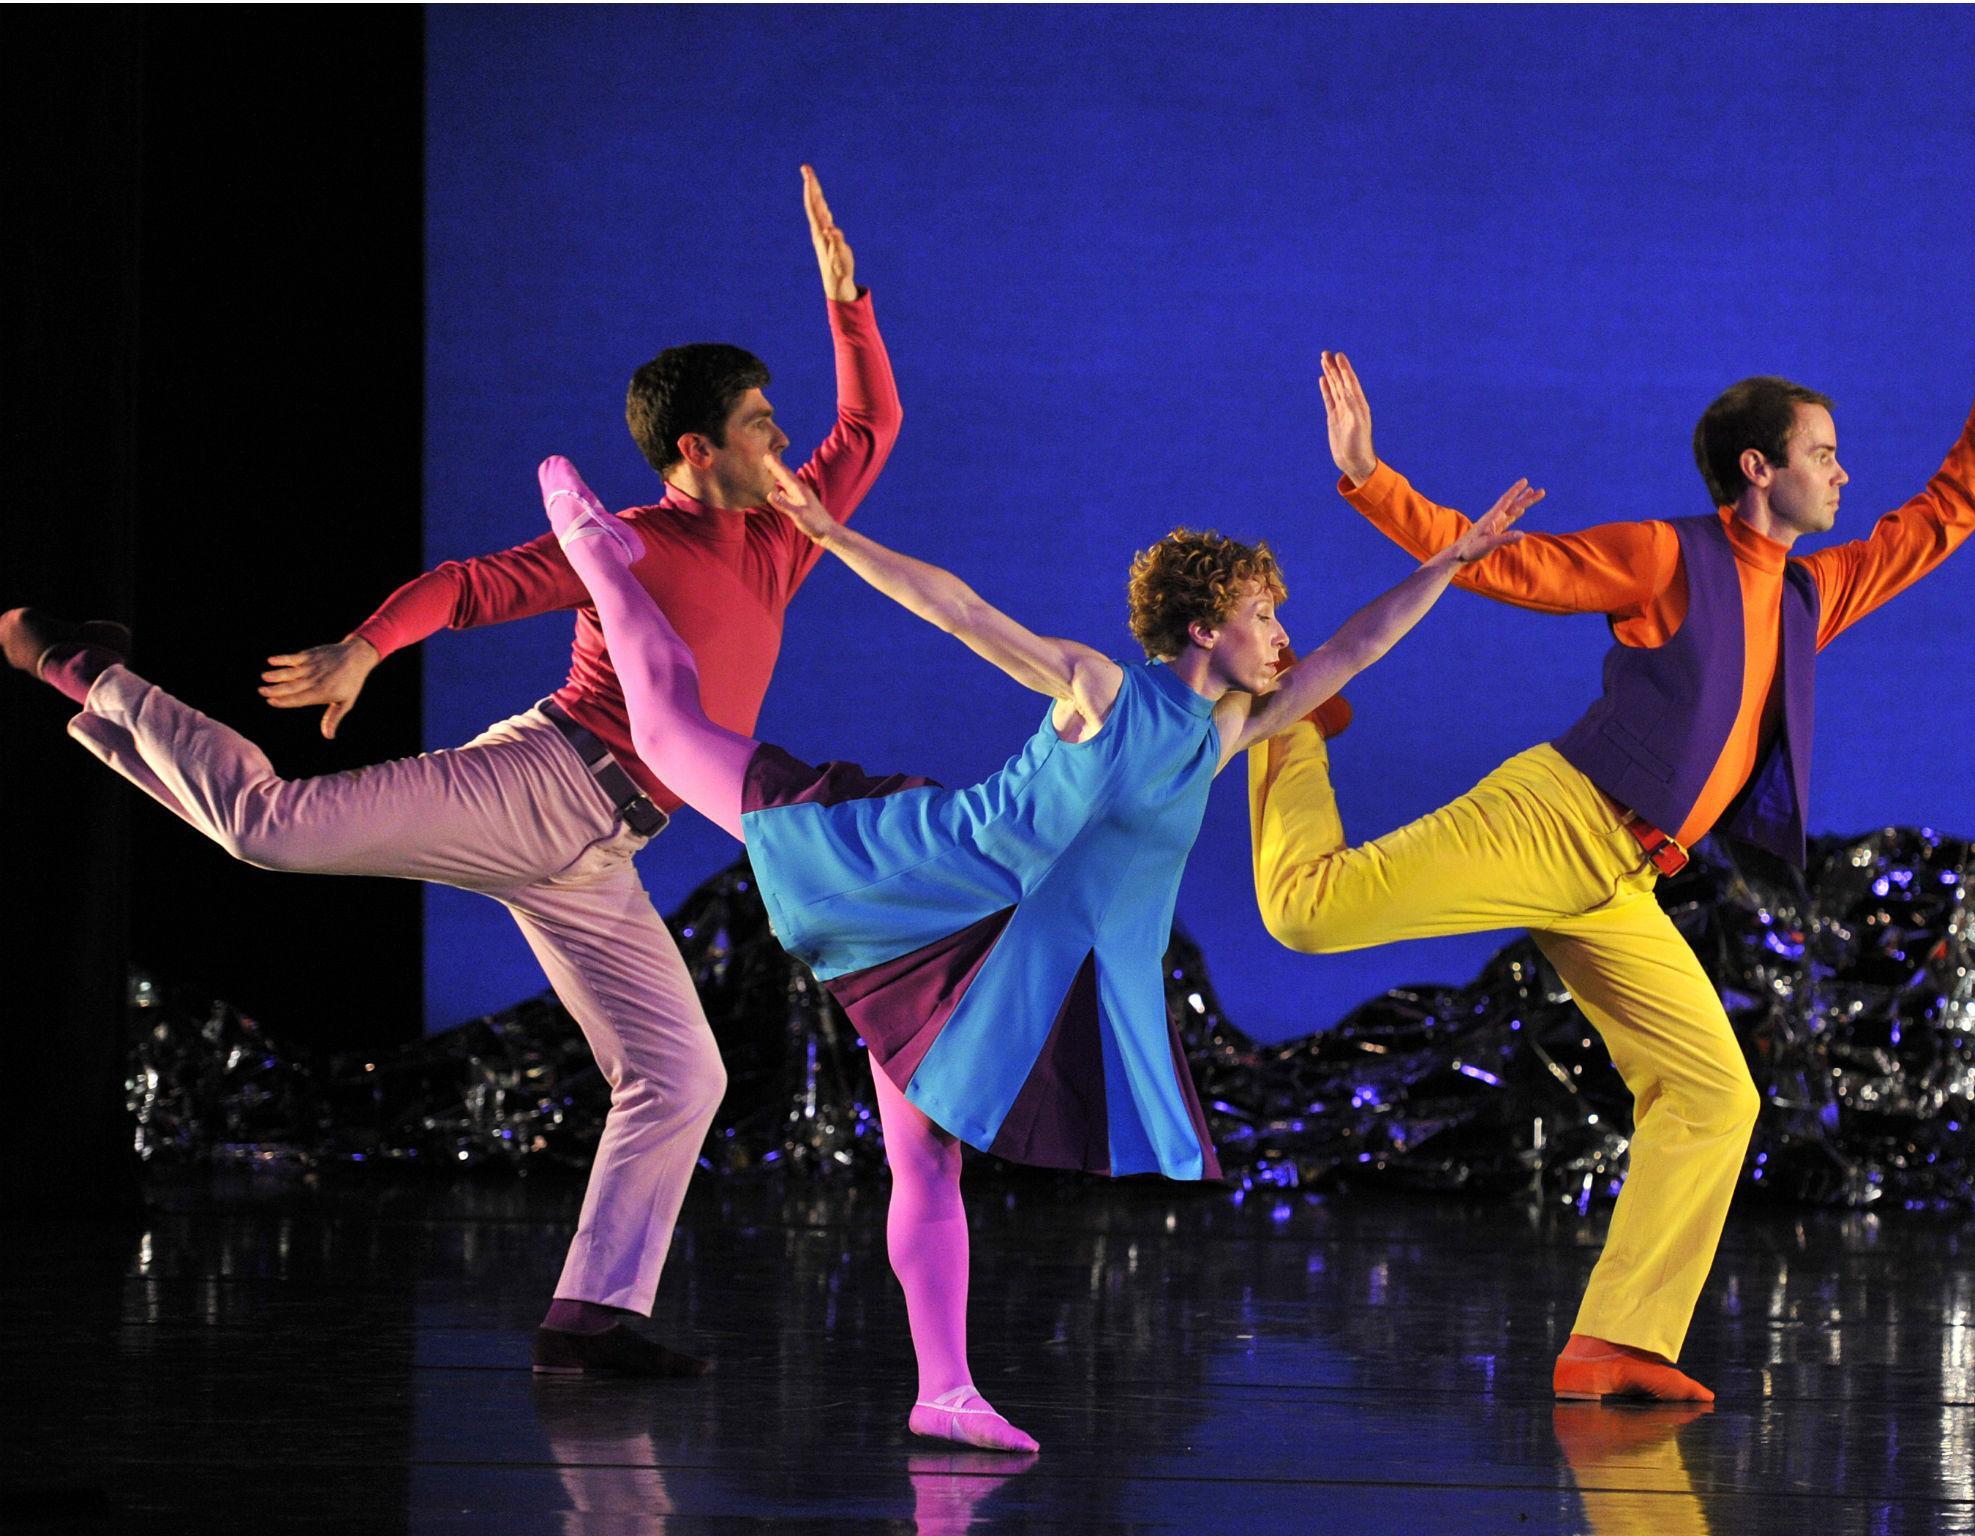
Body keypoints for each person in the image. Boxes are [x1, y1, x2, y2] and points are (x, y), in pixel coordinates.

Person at [0, 166, 901, 1378]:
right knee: (268, 826)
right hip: (540, 782)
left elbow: (871, 430)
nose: (782, 440)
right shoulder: (625, 541)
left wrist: (851, 307)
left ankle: (591, 1317)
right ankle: (88, 672)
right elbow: (476, 584)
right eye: (757, 423)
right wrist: (365, 647)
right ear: (695, 448)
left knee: (681, 1074)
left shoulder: (783, 540)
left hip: (604, 848)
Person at [530, 434, 1539, 1450]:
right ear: (1201, 627)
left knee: (926, 1161)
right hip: (921, 882)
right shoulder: (1098, 691)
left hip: (1000, 964)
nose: (1282, 635)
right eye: (1262, 616)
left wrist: (1445, 565)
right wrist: (833, 535)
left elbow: (1353, 650)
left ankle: (944, 1391)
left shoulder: (1225, 731)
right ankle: (598, 554)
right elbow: (962, 612)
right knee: (660, 728)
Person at [1249, 245, 1975, 1401]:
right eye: (1823, 454)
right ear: (1758, 470)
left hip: (1622, 879)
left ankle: (1614, 1343)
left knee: (1714, 1095)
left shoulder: (1811, 589)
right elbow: (1507, 566)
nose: (1842, 473)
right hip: (1556, 820)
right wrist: (1369, 477)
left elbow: (1937, 520)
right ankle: (1283, 723)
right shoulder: (1672, 556)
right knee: (1305, 915)